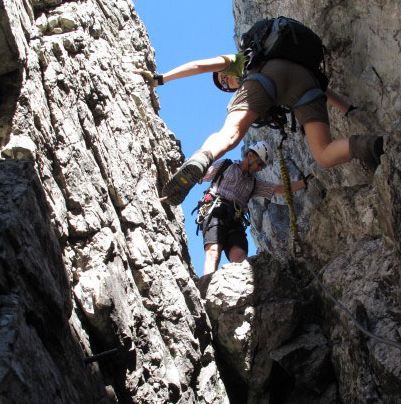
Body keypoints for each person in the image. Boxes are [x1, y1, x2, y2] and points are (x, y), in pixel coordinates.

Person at [134, 48, 383, 205]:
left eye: (225, 79)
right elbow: (321, 89)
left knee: (230, 135)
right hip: (306, 82)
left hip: (265, 80)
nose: (228, 81)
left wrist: (161, 78)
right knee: (325, 154)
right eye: (226, 84)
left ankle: (202, 159)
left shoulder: (241, 60)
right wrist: (347, 108)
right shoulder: (278, 53)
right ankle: (368, 145)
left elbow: (200, 66)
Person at [194, 141, 306, 275]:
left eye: (263, 167)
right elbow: (200, 175)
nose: (260, 168)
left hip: (234, 220)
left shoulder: (254, 184)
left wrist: (304, 182)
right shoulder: (225, 166)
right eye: (260, 164)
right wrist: (184, 171)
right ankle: (206, 289)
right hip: (215, 213)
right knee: (213, 253)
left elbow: (280, 189)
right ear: (251, 156)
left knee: (240, 259)